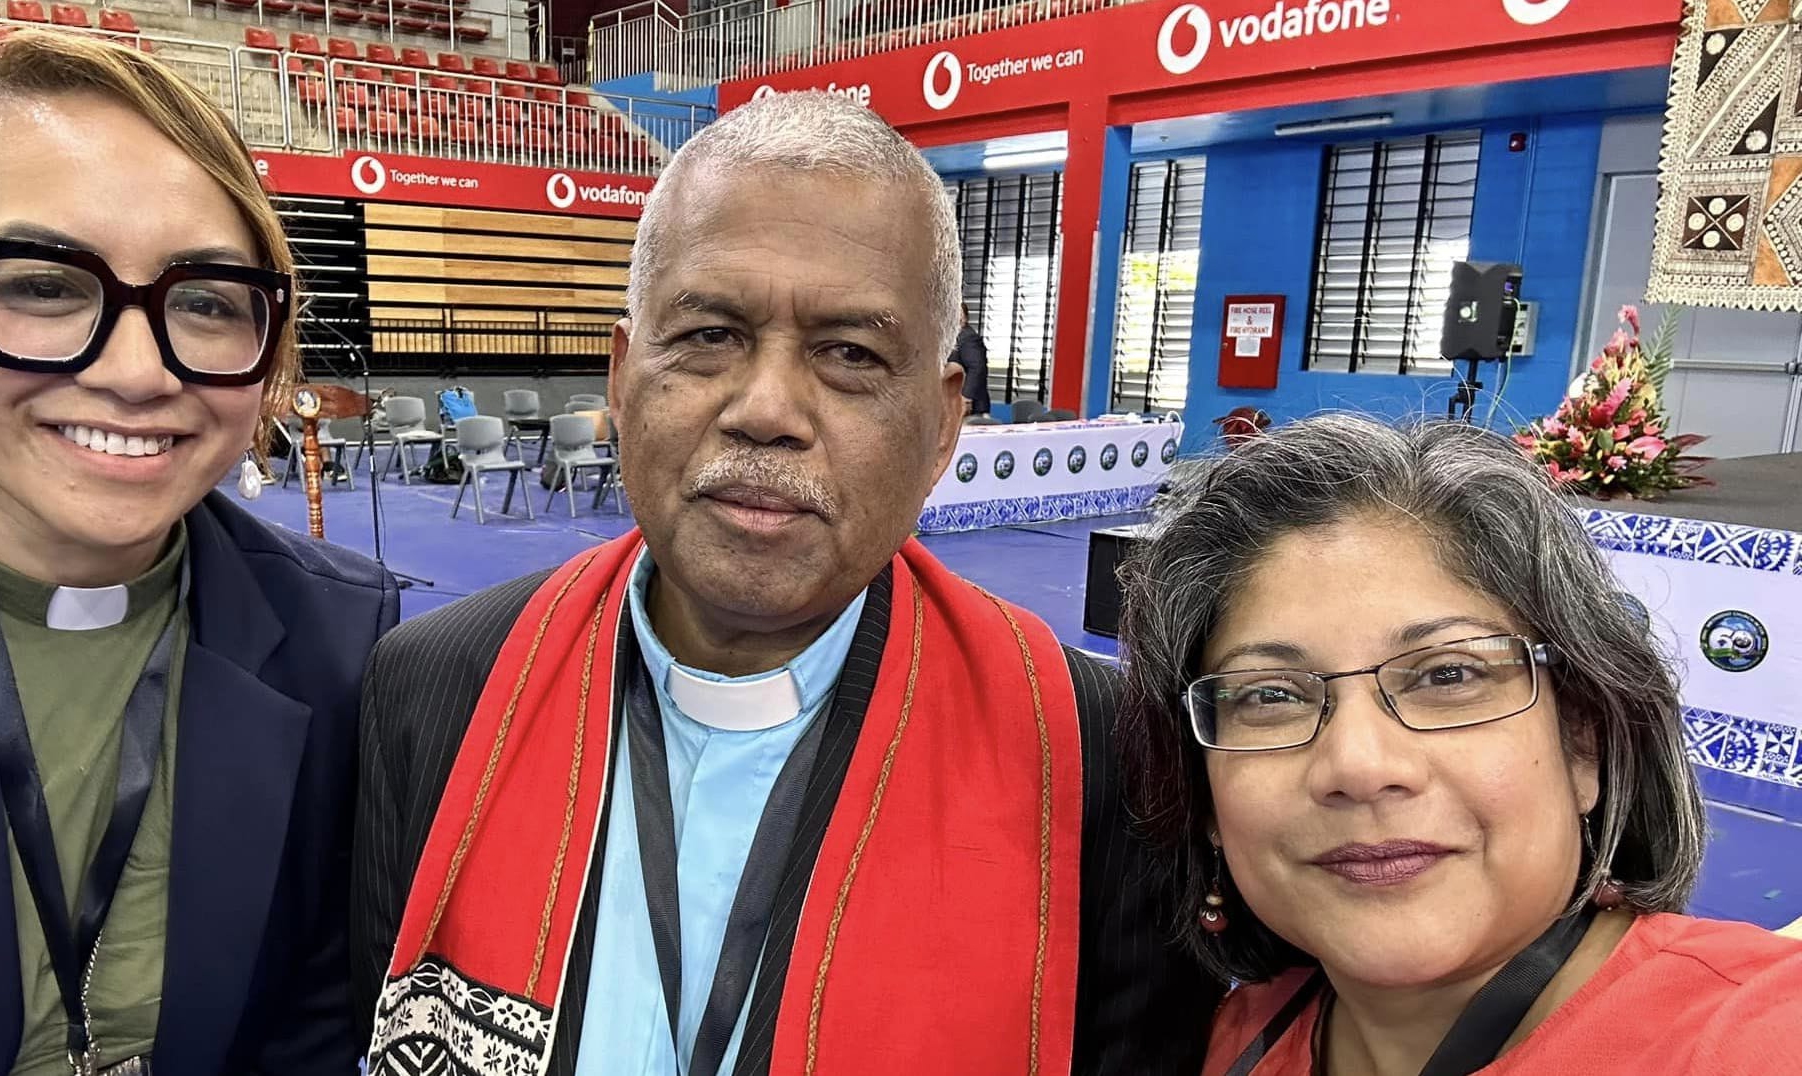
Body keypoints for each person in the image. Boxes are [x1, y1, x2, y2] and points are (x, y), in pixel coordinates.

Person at [352, 92, 1219, 1076]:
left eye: (849, 353)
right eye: (710, 334)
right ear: (622, 378)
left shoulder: (1101, 755)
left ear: (941, 428)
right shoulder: (430, 691)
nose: (765, 409)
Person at [0, 31, 398, 1074]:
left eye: (204, 302)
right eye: (47, 286)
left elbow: (311, 1023)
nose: (140, 371)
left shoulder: (345, 641)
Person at [1114, 414, 1802, 1075]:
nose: (1359, 765)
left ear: (1583, 744)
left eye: (1449, 674)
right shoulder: (1232, 1036)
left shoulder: (1756, 1036)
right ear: (1202, 795)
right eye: (1270, 695)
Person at [951, 302, 991, 418]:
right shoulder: (953, 337)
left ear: (965, 317)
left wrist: (966, 397)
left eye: (960, 314)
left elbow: (977, 367)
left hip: (971, 407)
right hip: (955, 404)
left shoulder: (968, 337)